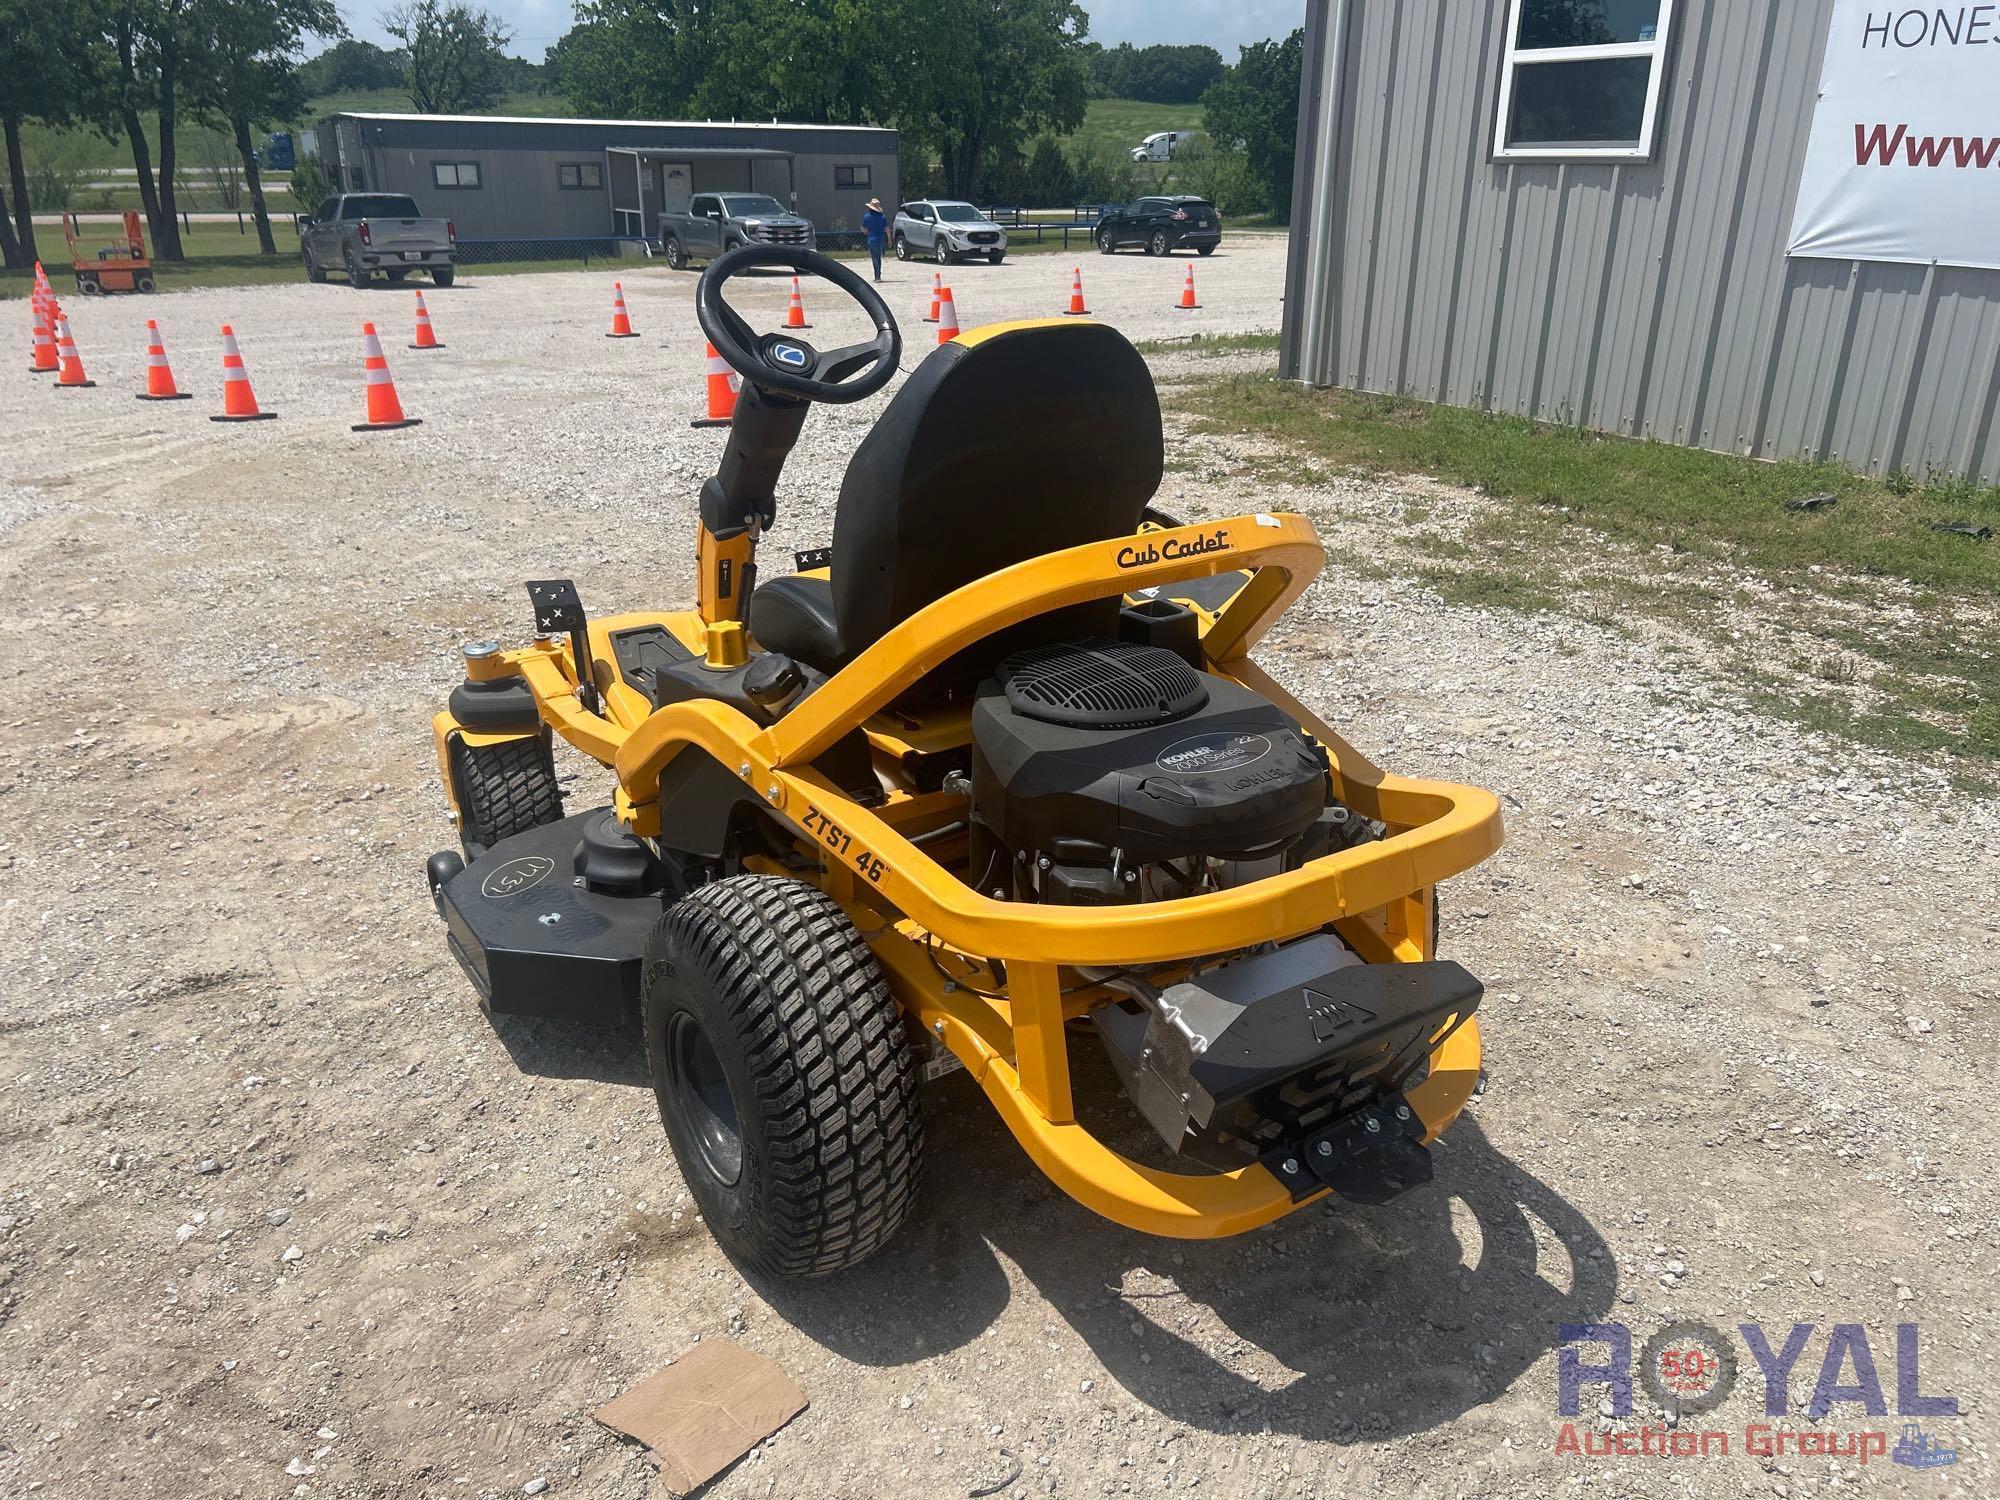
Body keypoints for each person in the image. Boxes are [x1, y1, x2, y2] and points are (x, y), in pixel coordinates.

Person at [861, 197, 888, 281]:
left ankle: (877, 276)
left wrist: (867, 233)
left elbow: (862, 227)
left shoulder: (867, 217)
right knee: (879, 257)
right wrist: (890, 240)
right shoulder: (883, 217)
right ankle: (878, 275)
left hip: (872, 239)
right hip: (880, 239)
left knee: (874, 258)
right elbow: (887, 229)